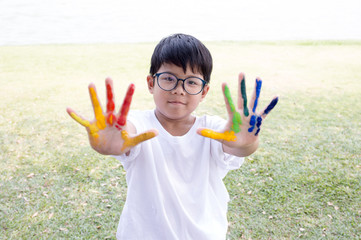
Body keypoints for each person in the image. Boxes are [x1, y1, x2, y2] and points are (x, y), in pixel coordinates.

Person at [67, 33, 278, 240]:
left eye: (192, 82)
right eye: (169, 79)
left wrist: (247, 143)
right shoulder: (140, 126)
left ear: (204, 92)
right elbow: (125, 137)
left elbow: (237, 147)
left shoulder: (213, 130)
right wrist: (112, 144)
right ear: (151, 83)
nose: (179, 90)